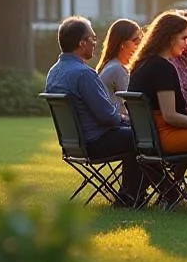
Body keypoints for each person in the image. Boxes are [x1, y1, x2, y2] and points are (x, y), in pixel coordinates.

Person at [126, 10, 187, 208]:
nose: (186, 43)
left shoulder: (142, 64)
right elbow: (171, 116)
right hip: (165, 135)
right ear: (169, 38)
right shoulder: (163, 68)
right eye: (183, 37)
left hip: (147, 137)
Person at [44, 15, 136, 166]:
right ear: (82, 42)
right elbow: (108, 118)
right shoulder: (84, 74)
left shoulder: (53, 72)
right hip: (95, 142)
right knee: (146, 136)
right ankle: (138, 189)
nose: (95, 43)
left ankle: (134, 188)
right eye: (92, 38)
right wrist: (124, 117)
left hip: (73, 144)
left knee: (138, 135)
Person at [95, 17, 141, 114]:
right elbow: (134, 105)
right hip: (118, 125)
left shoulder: (110, 65)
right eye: (135, 41)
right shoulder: (118, 70)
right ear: (122, 44)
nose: (139, 45)